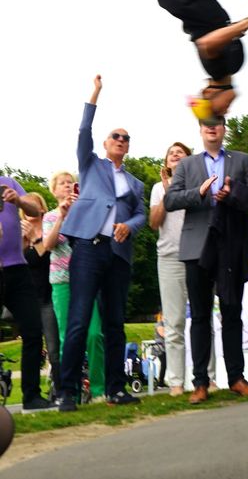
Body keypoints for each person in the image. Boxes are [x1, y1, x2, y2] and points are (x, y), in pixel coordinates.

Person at [57, 75, 146, 411]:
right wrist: (94, 95)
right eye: (115, 136)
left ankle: (115, 390)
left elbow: (139, 214)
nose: (121, 140)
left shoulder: (136, 183)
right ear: (107, 144)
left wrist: (130, 226)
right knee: (79, 321)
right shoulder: (91, 165)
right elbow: (83, 132)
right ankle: (67, 392)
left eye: (126, 138)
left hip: (118, 256)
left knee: (114, 324)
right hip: (88, 249)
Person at [164, 116, 248, 403]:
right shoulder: (187, 164)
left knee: (232, 312)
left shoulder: (241, 160)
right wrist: (200, 193)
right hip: (197, 246)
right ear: (200, 130)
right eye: (206, 123)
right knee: (201, 316)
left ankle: (236, 378)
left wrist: (233, 193)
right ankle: (200, 383)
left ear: (223, 129)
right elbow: (171, 201)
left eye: (217, 123)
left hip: (232, 245)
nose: (212, 127)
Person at [150, 141, 219, 396]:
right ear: (167, 163)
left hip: (199, 255)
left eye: (181, 153)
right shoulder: (158, 188)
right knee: (174, 321)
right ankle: (176, 382)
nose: (175, 155)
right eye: (171, 153)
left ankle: (209, 378)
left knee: (203, 318)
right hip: (169, 257)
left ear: (190, 161)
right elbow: (153, 223)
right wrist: (168, 194)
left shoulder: (200, 185)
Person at [43, 171, 105, 400]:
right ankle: (71, 392)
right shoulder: (50, 216)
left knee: (94, 334)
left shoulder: (87, 213)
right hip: (62, 282)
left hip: (87, 280)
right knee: (67, 338)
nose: (68, 186)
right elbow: (48, 245)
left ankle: (99, 390)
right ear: (54, 190)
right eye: (63, 183)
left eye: (71, 182)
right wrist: (62, 215)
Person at [0, 177, 52, 412]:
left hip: (18, 270)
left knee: (33, 330)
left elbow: (33, 208)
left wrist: (18, 200)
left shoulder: (7, 182)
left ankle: (31, 397)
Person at [20, 192, 62, 396]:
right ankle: (32, 393)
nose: (28, 208)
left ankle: (62, 390)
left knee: (54, 347)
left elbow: (45, 259)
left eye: (33, 204)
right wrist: (22, 240)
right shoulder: (19, 232)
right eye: (25, 205)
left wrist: (35, 238)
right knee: (32, 346)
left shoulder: (48, 227)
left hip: (48, 297)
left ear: (42, 208)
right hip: (28, 298)